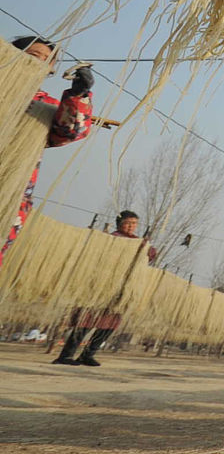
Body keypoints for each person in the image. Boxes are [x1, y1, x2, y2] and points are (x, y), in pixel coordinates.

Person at [0, 36, 94, 267]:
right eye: (33, 57)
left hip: (7, 197)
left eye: (48, 62)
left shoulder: (44, 105)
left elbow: (72, 131)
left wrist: (78, 95)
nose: (40, 64)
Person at [52, 210, 156, 367]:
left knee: (109, 325)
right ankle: (65, 355)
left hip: (121, 290)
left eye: (134, 223)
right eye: (128, 223)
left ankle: (88, 355)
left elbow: (151, 256)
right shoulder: (111, 238)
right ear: (120, 224)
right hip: (100, 288)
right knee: (85, 322)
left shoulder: (138, 241)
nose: (131, 226)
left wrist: (146, 247)